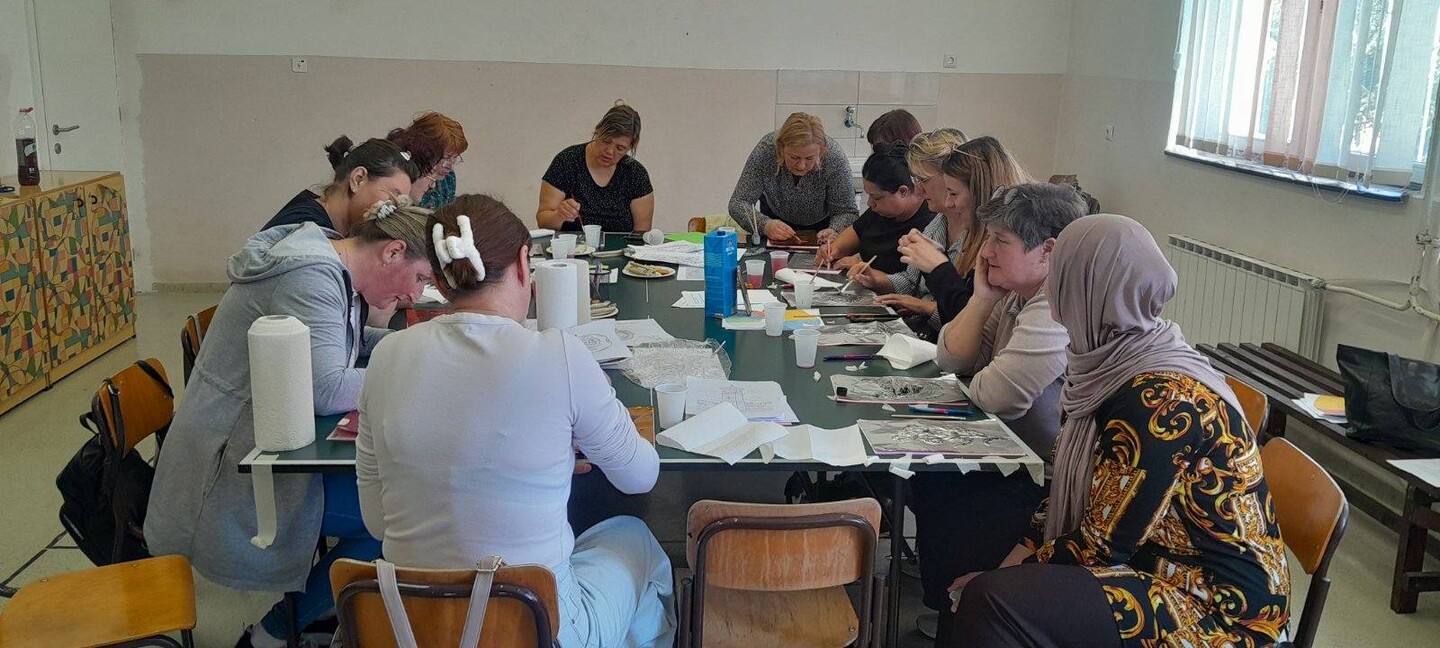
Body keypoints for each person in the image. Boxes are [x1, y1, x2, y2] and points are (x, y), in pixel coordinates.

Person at [949, 214, 1290, 647]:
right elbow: (1082, 495)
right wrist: (1009, 564)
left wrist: (1001, 577)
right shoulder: (1110, 361)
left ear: (1082, 290)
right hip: (1157, 564)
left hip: (1216, 608)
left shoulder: (1159, 399)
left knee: (994, 601)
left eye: (1061, 276)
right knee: (985, 572)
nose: (1052, 290)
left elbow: (1102, 547)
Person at [357, 194, 674, 647]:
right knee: (634, 537)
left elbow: (377, 522)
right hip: (539, 628)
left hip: (411, 627)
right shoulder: (560, 355)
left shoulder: (387, 356)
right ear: (526, 264)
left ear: (441, 282)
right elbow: (641, 477)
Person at [145, 199, 435, 648]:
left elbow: (349, 342)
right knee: (397, 518)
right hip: (232, 466)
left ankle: (325, 603)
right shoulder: (310, 277)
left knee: (394, 500)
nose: (416, 296)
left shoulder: (331, 259)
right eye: (420, 278)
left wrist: (424, 345)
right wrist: (426, 369)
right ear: (393, 251)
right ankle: (272, 634)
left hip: (261, 445)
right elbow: (326, 389)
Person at [910, 183, 1088, 643]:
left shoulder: (1055, 306)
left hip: (1047, 482)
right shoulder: (1013, 291)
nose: (985, 253)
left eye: (999, 241)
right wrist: (982, 299)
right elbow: (952, 358)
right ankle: (953, 613)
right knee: (930, 484)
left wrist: (979, 375)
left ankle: (965, 614)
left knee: (949, 498)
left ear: (1048, 251)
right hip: (1009, 455)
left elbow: (997, 395)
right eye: (987, 238)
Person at [852, 136, 1030, 337]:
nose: (919, 190)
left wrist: (935, 277)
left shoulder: (991, 245)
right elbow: (915, 282)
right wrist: (878, 279)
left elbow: (970, 321)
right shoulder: (939, 223)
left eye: (953, 193)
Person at [729, 112, 857, 244]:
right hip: (773, 224)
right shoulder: (766, 150)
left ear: (821, 152)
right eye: (794, 157)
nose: (801, 166)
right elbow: (738, 203)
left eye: (809, 158)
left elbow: (847, 211)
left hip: (823, 229)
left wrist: (835, 230)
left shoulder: (834, 157)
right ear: (780, 149)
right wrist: (764, 225)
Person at [814, 142, 934, 274]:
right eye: (869, 195)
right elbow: (855, 232)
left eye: (876, 197)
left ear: (903, 191)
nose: (870, 203)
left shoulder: (930, 226)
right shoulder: (880, 212)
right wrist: (832, 250)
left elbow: (910, 280)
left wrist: (871, 272)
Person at [262, 136, 421, 236]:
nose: (395, 210)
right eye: (393, 196)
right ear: (358, 179)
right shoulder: (305, 230)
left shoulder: (332, 228)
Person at [538, 101, 655, 233]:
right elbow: (543, 221)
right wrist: (559, 215)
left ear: (630, 147)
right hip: (572, 245)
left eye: (620, 148)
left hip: (621, 246)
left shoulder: (636, 174)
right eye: (606, 141)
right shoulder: (566, 162)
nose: (609, 151)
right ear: (598, 131)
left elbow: (641, 235)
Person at [396, 111, 468, 209]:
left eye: (455, 157)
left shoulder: (448, 178)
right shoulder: (402, 174)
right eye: (446, 157)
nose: (450, 166)